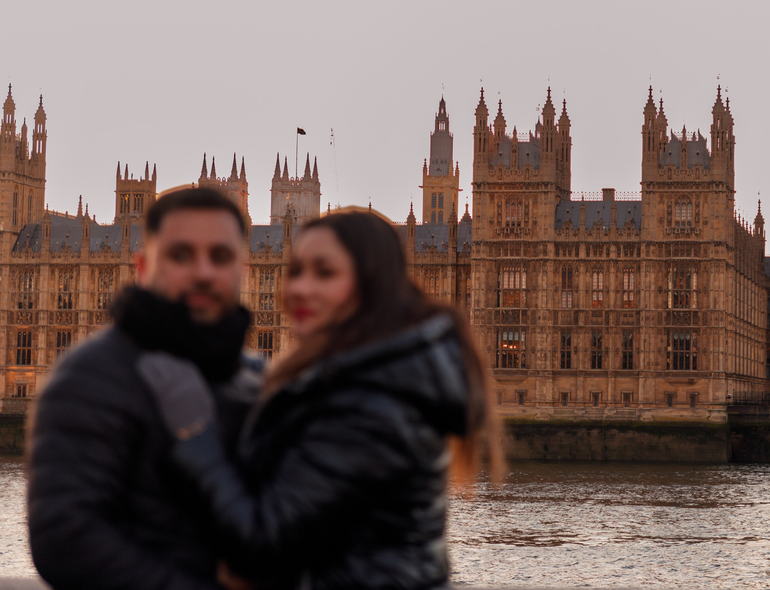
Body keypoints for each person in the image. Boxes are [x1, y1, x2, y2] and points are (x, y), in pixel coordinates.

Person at [137, 210, 501, 590]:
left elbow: (260, 547)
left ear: (370, 285)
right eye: (295, 271)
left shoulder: (371, 407)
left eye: (324, 273)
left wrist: (194, 431)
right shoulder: (373, 380)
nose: (299, 289)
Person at [27, 188, 260, 590]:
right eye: (181, 255)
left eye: (219, 256)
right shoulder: (85, 377)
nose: (202, 272)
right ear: (142, 266)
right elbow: (64, 537)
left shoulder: (257, 379)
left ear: (244, 268)